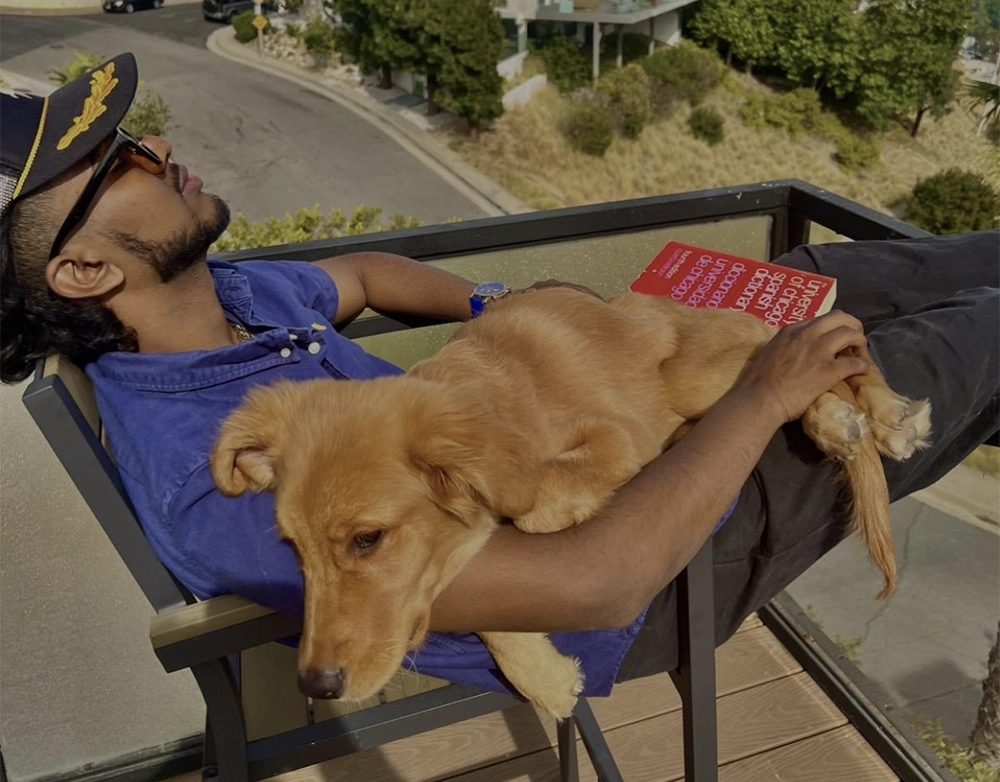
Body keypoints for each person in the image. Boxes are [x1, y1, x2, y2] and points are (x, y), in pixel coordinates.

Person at [2, 53, 998, 698]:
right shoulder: (205, 473)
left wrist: (497, 301)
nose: (157, 145)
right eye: (118, 160)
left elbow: (365, 272)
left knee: (824, 272)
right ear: (84, 271)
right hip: (664, 552)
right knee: (974, 336)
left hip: (607, 413)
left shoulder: (238, 299)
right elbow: (598, 582)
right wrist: (765, 394)